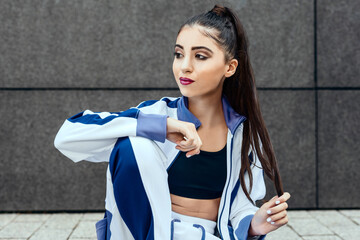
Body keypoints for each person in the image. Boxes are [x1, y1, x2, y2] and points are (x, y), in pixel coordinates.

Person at [54, 4, 291, 240]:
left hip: (206, 235)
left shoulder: (245, 136)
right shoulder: (156, 114)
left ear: (229, 67)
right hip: (147, 232)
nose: (184, 66)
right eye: (179, 54)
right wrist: (162, 127)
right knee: (135, 145)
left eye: (200, 56)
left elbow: (240, 207)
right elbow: (67, 137)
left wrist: (254, 225)